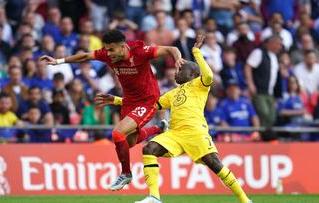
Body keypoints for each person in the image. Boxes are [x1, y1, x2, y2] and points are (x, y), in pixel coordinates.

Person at [96, 34, 252, 203]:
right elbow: (151, 106)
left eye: (180, 69)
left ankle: (245, 200)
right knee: (149, 150)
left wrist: (196, 52)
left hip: (195, 132)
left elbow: (208, 76)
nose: (176, 72)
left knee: (215, 165)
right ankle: (154, 197)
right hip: (175, 133)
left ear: (192, 73)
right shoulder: (172, 93)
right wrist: (117, 100)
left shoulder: (199, 85)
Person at [39, 29, 183, 191]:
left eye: (111, 49)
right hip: (129, 101)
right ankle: (159, 128)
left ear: (123, 47)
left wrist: (178, 60)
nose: (108, 53)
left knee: (117, 134)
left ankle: (126, 174)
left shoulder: (141, 51)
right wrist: (58, 61)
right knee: (127, 143)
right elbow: (85, 56)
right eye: (106, 49)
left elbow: (172, 49)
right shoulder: (107, 54)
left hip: (147, 100)